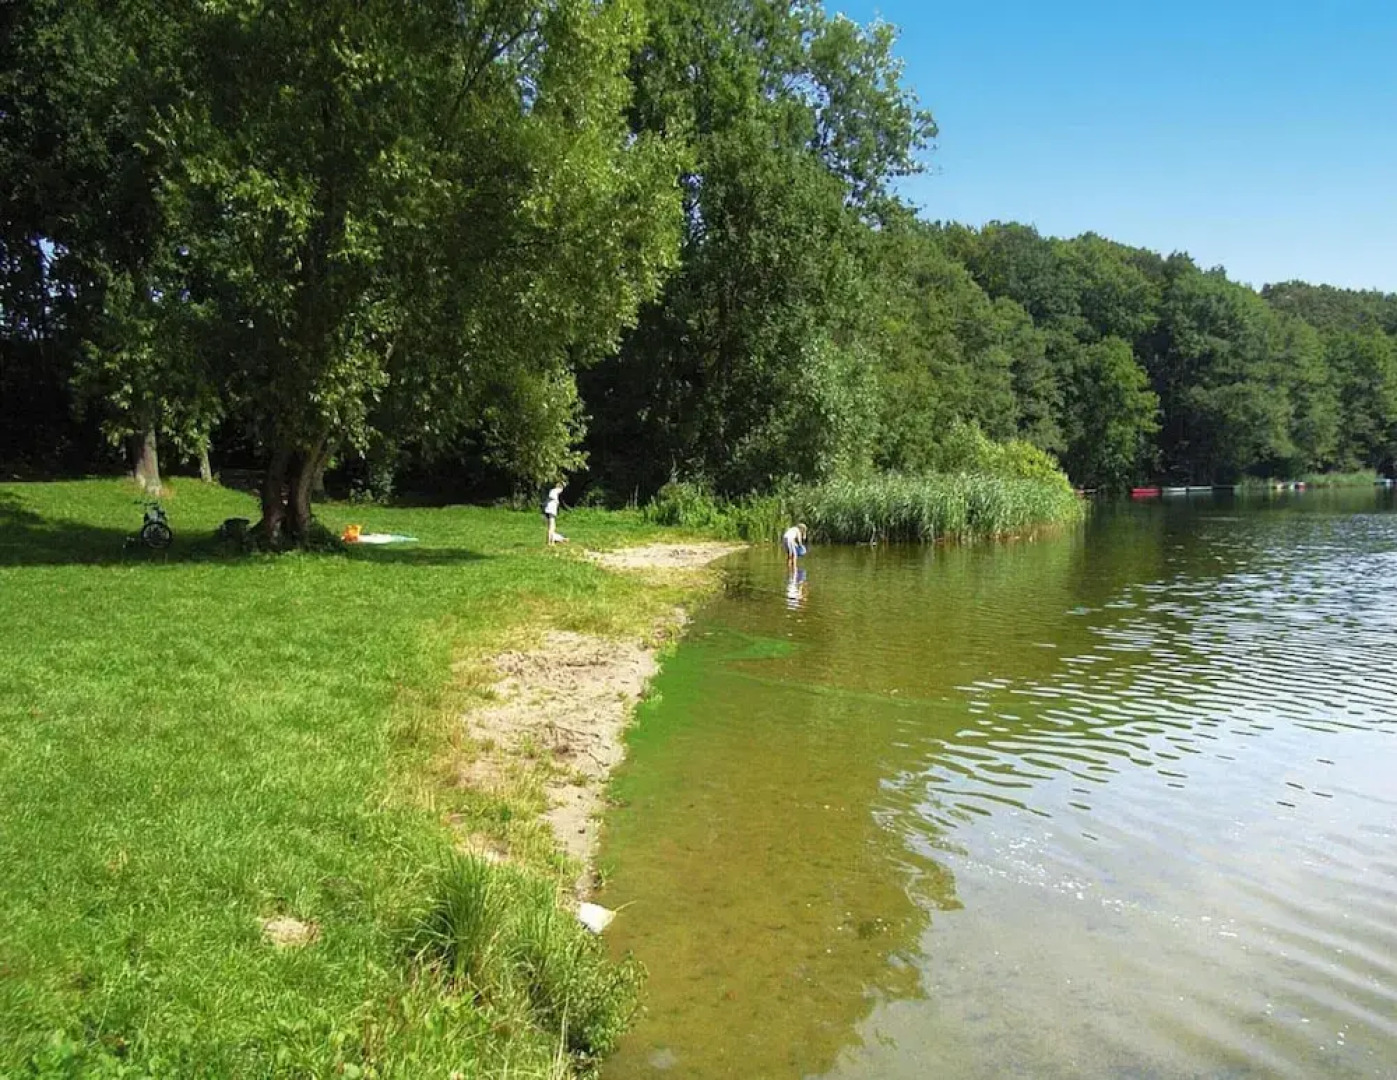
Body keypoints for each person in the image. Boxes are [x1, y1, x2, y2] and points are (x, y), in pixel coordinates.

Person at [543, 480, 568, 545]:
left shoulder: (554, 492)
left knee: (552, 527)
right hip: (551, 511)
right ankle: (550, 542)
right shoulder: (555, 491)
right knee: (552, 527)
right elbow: (551, 495)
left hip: (549, 511)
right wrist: (556, 500)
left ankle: (551, 541)